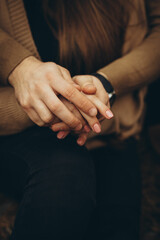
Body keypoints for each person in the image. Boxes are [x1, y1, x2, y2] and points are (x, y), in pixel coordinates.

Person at [0, 0, 160, 239]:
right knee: (63, 185)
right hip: (19, 133)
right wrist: (19, 68)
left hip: (106, 128)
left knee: (117, 224)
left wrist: (105, 83)